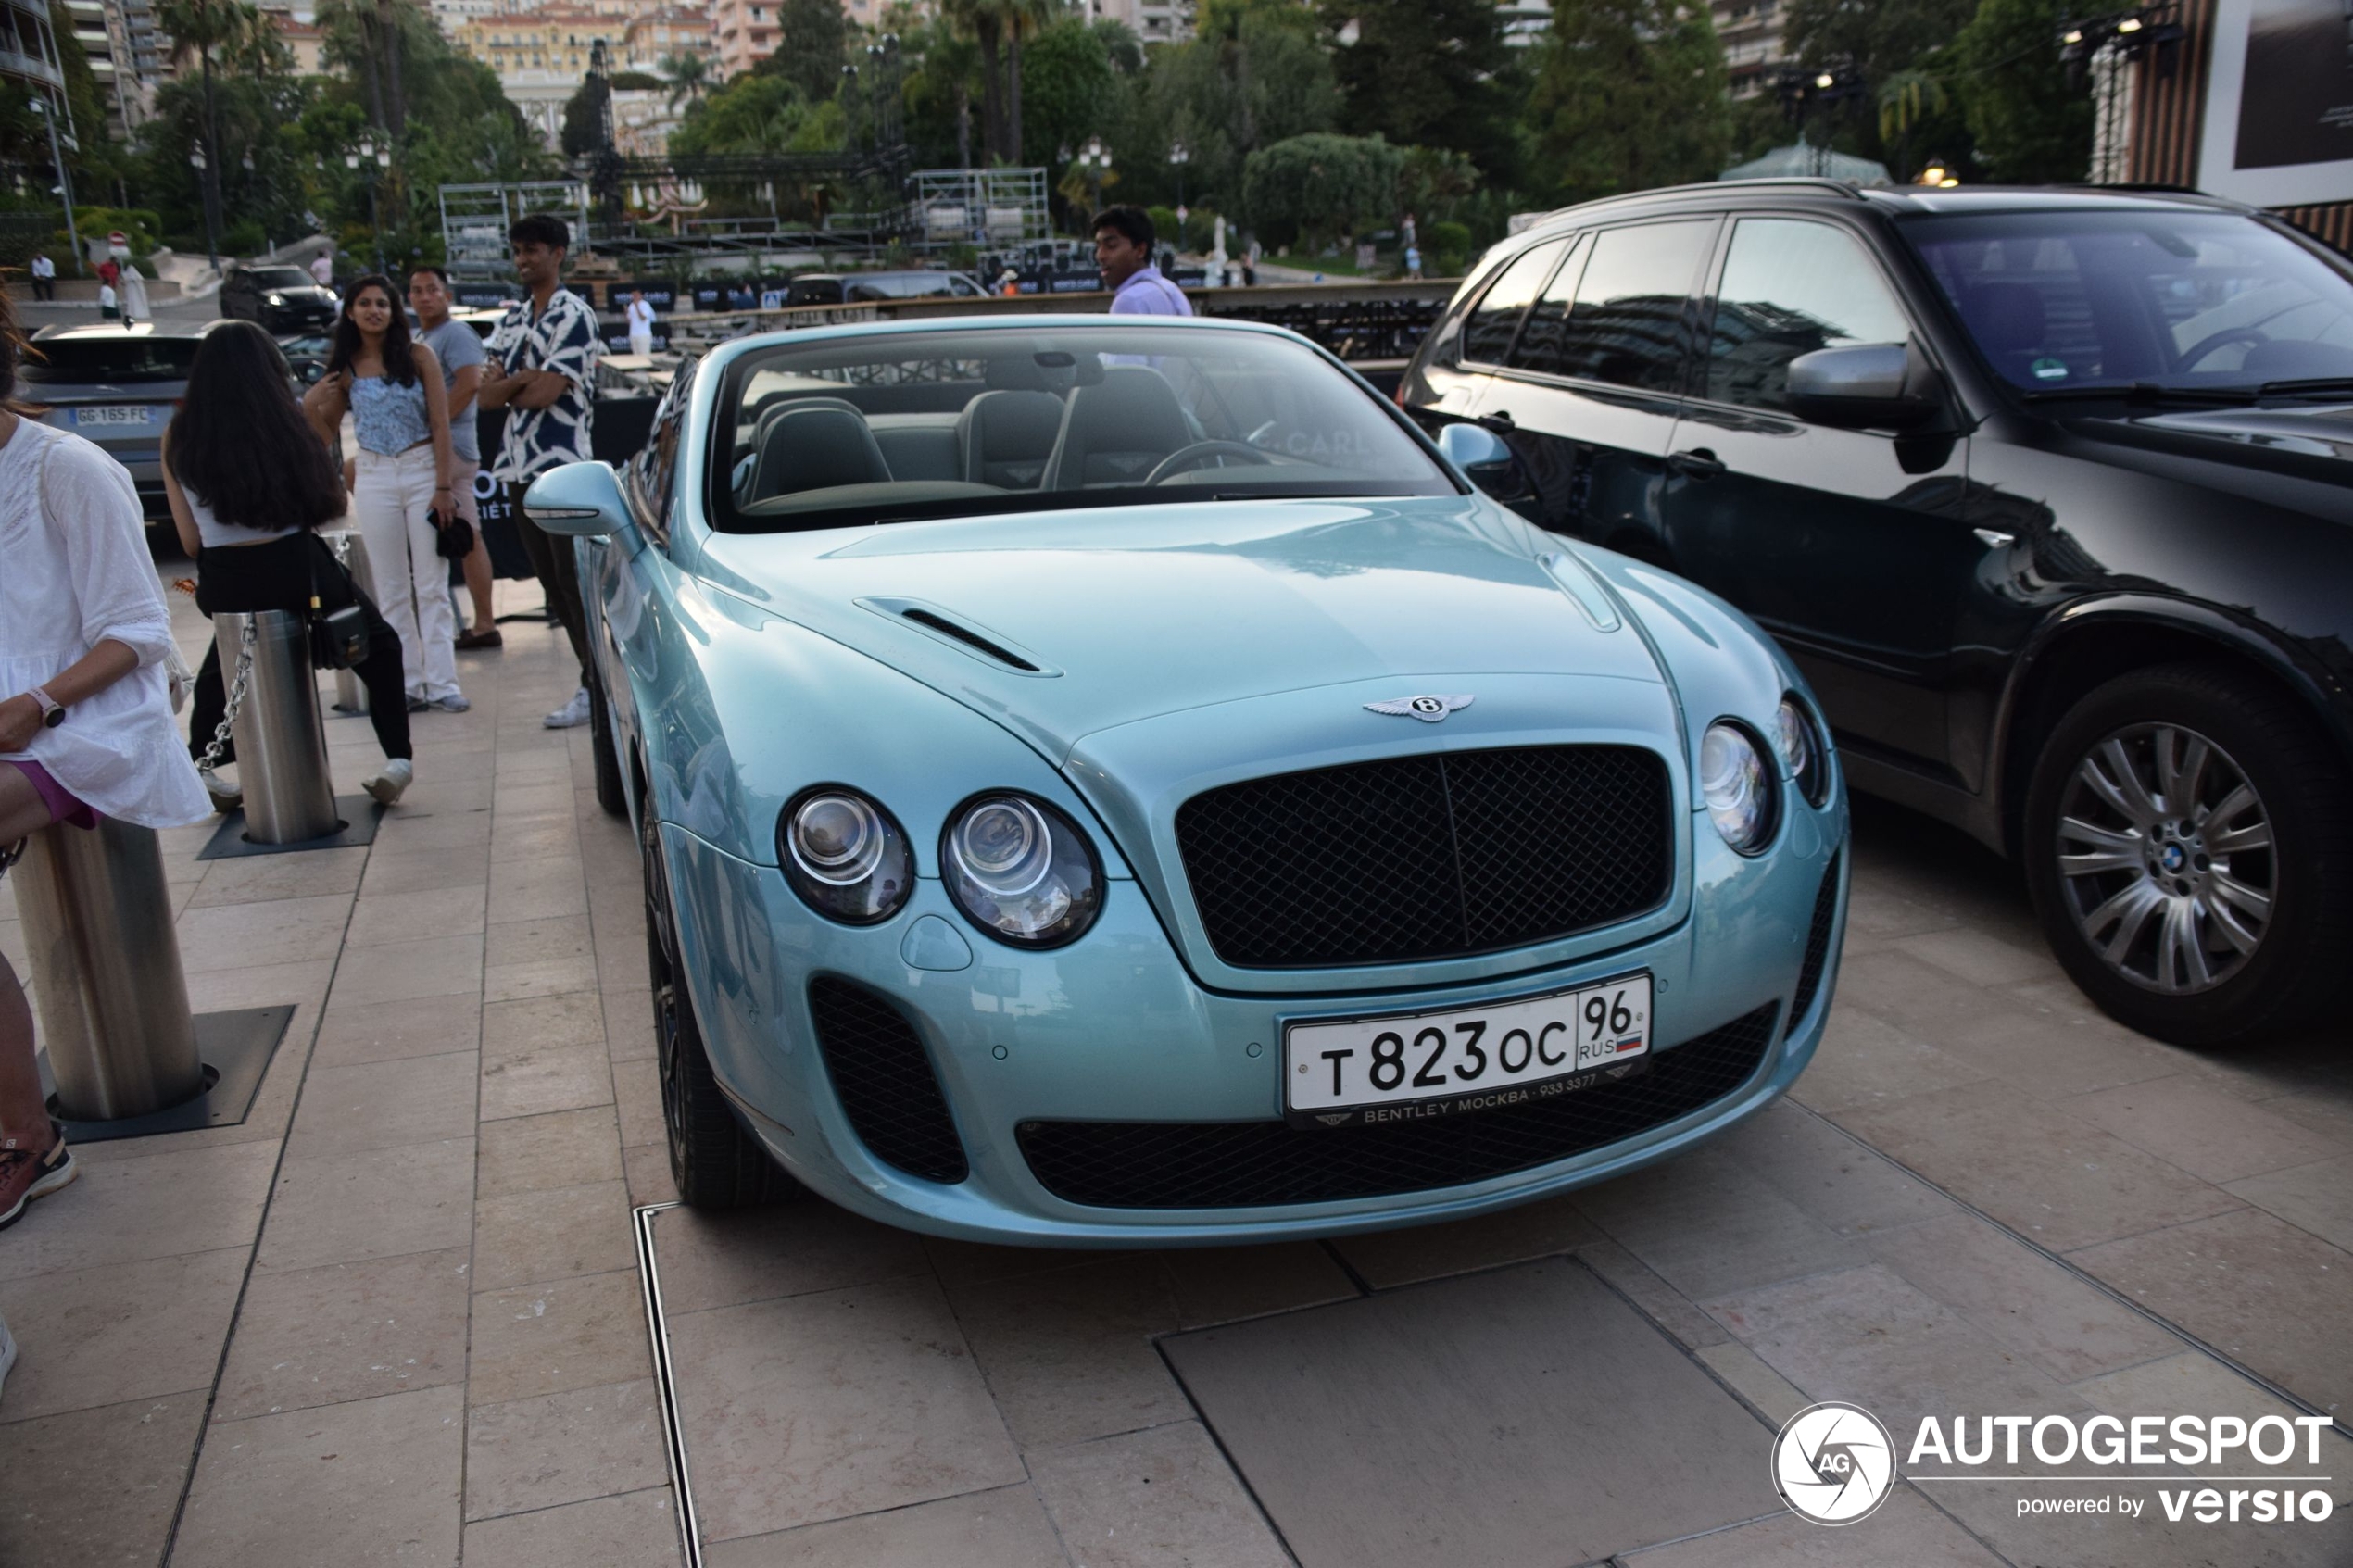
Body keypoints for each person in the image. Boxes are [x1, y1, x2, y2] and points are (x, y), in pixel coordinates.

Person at [1, 286, 209, 1236]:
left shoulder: (66, 468)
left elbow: (138, 631)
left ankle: (27, 1140)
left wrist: (35, 702)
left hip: (86, 725)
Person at [170, 321, 416, 805]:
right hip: (297, 574)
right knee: (381, 646)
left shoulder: (178, 436)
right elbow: (328, 506)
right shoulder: (287, 422)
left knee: (224, 664)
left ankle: (206, 766)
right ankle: (397, 760)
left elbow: (191, 542)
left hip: (225, 582)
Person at [303, 274, 468, 713]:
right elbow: (325, 435)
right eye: (364, 303)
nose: (374, 310)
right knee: (390, 588)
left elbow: (440, 424)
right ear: (351, 312)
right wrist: (308, 405)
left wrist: (443, 485)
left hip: (421, 471)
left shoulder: (418, 357)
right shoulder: (347, 366)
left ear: (394, 311)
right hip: (374, 475)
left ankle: (444, 682)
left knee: (431, 583)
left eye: (382, 303)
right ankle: (408, 684)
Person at [478, 214, 599, 729]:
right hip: (519, 468)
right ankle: (590, 682)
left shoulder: (575, 314)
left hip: (564, 467)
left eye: (532, 250)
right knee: (553, 587)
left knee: (576, 585)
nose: (523, 260)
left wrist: (519, 381)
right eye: (517, 251)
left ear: (557, 253)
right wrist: (524, 380)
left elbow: (550, 391)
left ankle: (600, 683)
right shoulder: (511, 318)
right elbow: (485, 396)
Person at [409, 265, 499, 649]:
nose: (425, 296)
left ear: (447, 296)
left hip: (449, 451)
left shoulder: (455, 333)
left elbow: (470, 383)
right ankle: (478, 622)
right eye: (416, 290)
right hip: (441, 449)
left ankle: (481, 623)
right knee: (466, 535)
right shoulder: (422, 336)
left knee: (466, 537)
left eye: (432, 289)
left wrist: (435, 431)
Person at [1094, 206, 1192, 317]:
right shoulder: (1173, 291)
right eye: (1098, 246)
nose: (1099, 255)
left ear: (1140, 250)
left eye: (1111, 246)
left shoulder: (1128, 301)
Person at [624, 289, 655, 357]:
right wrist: (626, 312)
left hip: (643, 335)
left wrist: (637, 307)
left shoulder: (645, 305)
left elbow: (643, 318)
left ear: (640, 295)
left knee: (645, 356)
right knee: (636, 356)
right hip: (633, 334)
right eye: (633, 295)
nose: (634, 297)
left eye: (636, 295)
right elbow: (629, 322)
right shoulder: (631, 306)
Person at [119, 260, 148, 325]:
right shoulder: (131, 276)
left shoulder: (131, 277)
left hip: (133, 293)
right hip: (132, 293)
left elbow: (125, 281)